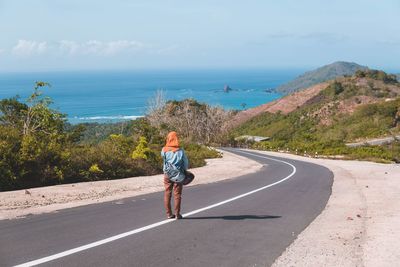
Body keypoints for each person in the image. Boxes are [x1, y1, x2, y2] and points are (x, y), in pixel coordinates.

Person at [161, 131, 189, 219]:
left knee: (167, 193)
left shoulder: (164, 150)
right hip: (178, 174)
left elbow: (163, 159)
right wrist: (185, 171)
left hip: (167, 174)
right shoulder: (180, 150)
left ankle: (169, 214)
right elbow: (185, 163)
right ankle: (177, 214)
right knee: (177, 194)